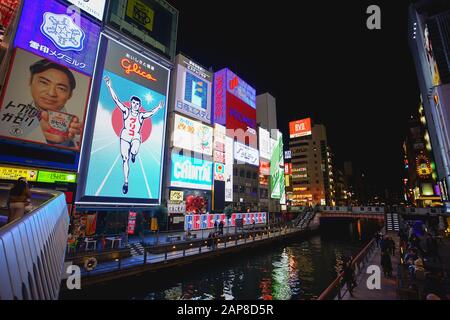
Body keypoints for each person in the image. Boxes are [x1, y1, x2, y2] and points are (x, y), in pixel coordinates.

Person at [0, 59, 82, 148]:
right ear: (30, 81)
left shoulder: (77, 128)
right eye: (44, 83)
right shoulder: (7, 111)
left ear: (70, 94)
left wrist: (60, 142)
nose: (51, 93)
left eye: (61, 88)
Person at [104, 76, 163, 195]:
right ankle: (126, 182)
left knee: (135, 147)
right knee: (125, 159)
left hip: (135, 136)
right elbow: (116, 100)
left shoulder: (141, 115)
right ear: (131, 104)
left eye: (137, 104)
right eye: (133, 103)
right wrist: (109, 86)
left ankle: (134, 154)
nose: (135, 105)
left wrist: (158, 107)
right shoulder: (126, 111)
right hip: (125, 136)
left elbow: (150, 113)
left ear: (139, 106)